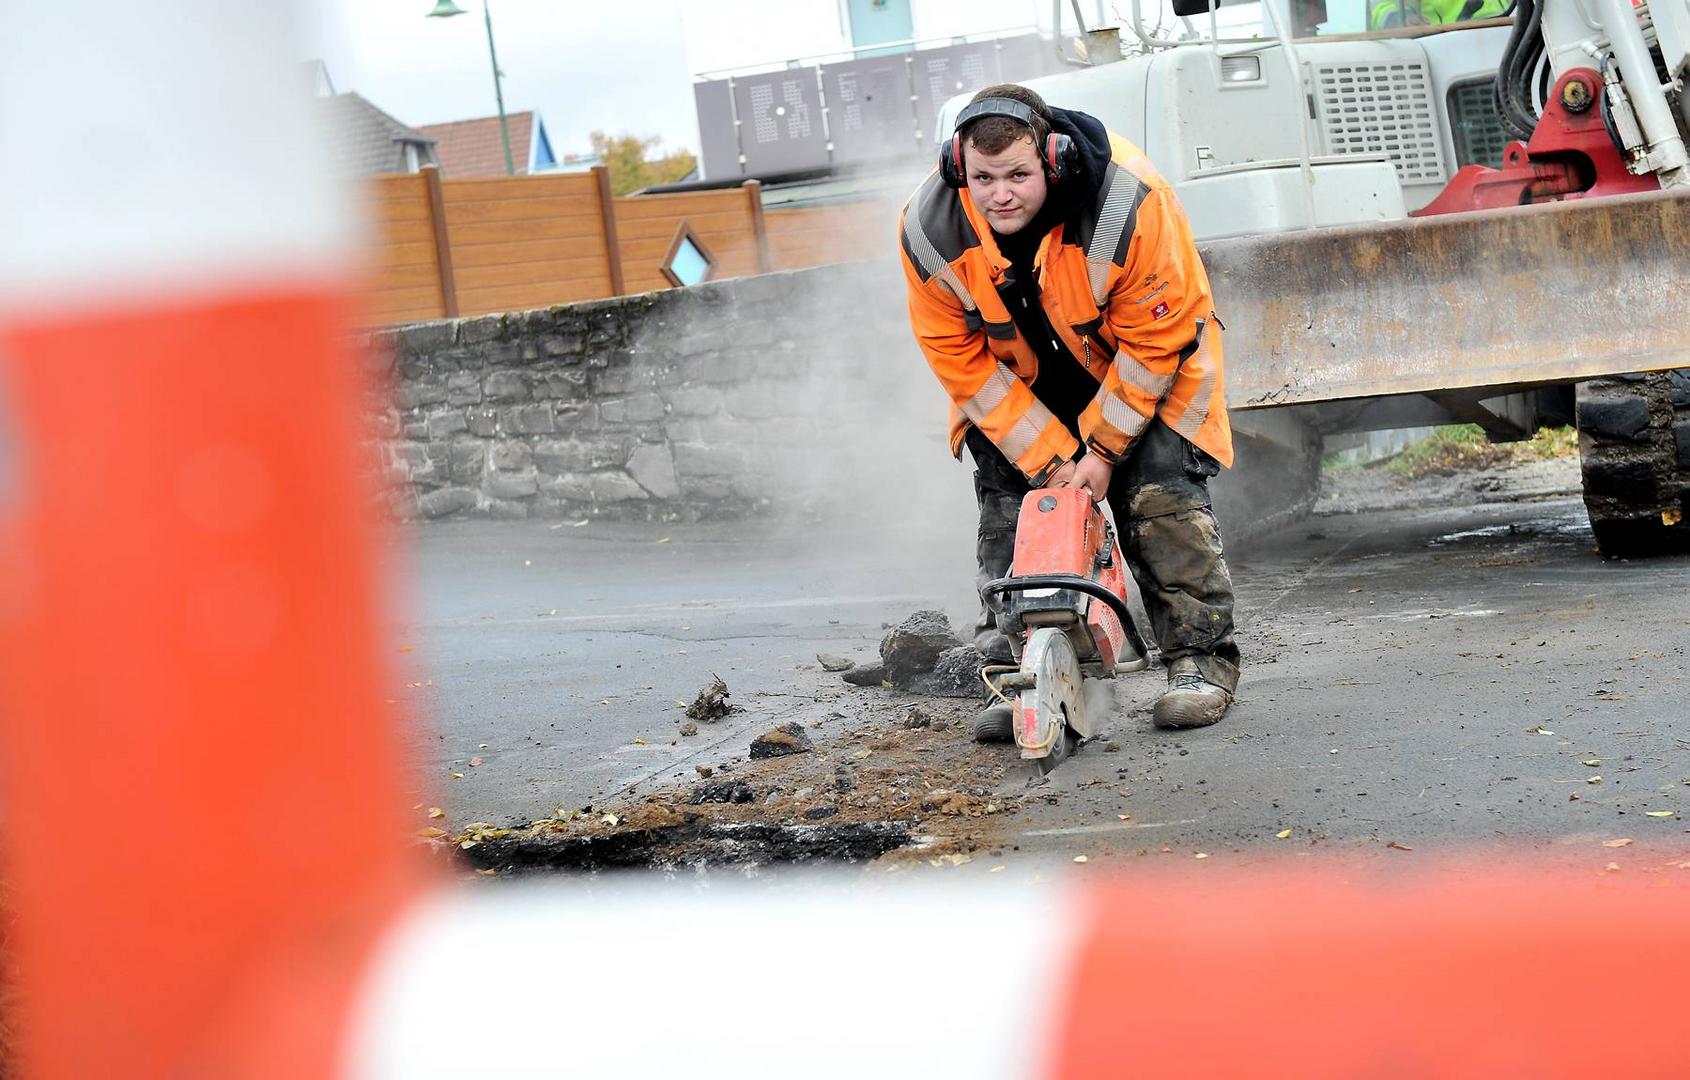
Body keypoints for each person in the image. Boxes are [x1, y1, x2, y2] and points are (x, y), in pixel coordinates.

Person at [897, 84, 1241, 736]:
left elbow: (1156, 341)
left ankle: (1199, 661)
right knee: (1010, 507)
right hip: (1024, 383)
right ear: (956, 167)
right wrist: (1051, 461)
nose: (1000, 194)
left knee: (1159, 498)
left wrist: (1106, 451)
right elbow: (957, 356)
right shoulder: (928, 229)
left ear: (1052, 161)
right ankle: (1022, 665)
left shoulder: (1129, 201)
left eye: (1018, 175)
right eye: (983, 177)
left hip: (1142, 367)